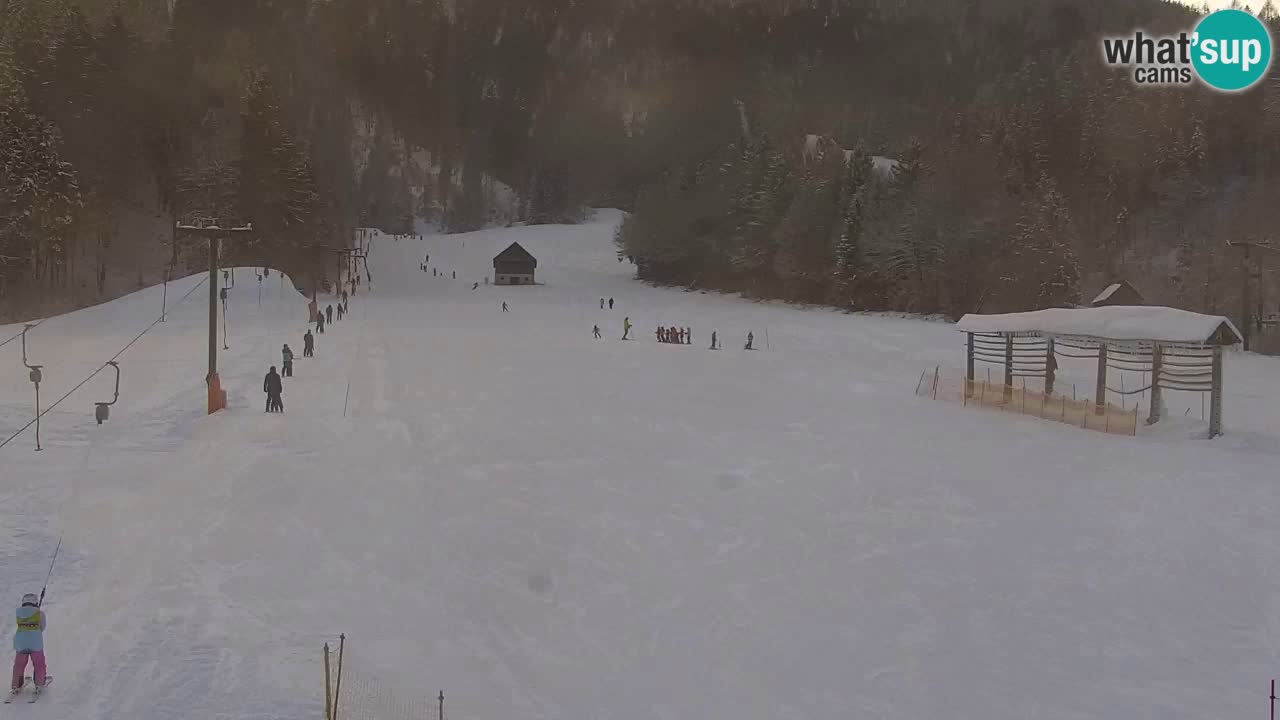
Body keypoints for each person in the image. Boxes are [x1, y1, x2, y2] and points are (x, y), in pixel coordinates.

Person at [11, 593, 47, 694]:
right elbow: (42, 627)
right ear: (35, 602)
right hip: (35, 644)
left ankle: (16, 685)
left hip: (21, 643)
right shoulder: (40, 613)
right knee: (39, 664)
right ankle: (39, 684)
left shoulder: (18, 612)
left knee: (19, 664)